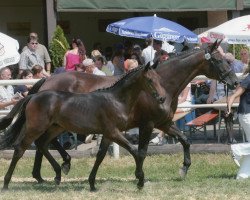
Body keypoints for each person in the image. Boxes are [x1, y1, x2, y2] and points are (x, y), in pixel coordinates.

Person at [228, 66, 250, 179]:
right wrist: (229, 108)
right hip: (247, 115)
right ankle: (237, 149)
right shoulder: (248, 79)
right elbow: (234, 95)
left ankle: (242, 176)